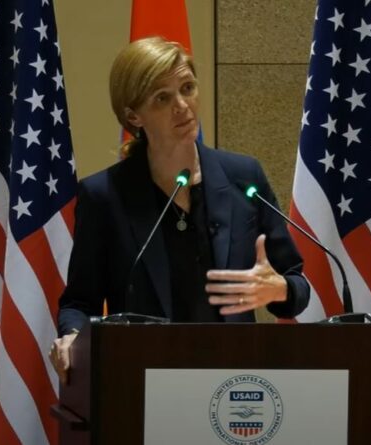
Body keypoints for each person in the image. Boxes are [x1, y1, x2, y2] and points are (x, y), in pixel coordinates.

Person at [49, 37, 309, 382]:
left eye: (188, 88)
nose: (182, 105)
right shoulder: (104, 196)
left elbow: (295, 282)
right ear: (133, 116)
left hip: (234, 381)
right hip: (141, 380)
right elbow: (80, 303)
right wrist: (72, 338)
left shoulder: (243, 177)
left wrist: (280, 289)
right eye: (163, 97)